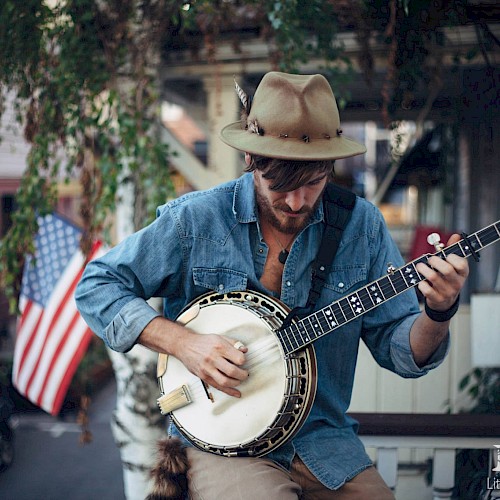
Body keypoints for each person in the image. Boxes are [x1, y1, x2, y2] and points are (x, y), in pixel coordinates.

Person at [75, 72, 469, 499]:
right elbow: (97, 285)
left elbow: (401, 352)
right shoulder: (195, 221)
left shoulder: (362, 227)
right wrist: (183, 343)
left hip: (323, 442)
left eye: (313, 184)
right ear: (251, 160)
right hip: (221, 440)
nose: (297, 203)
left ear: (330, 165)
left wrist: (439, 310)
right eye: (279, 186)